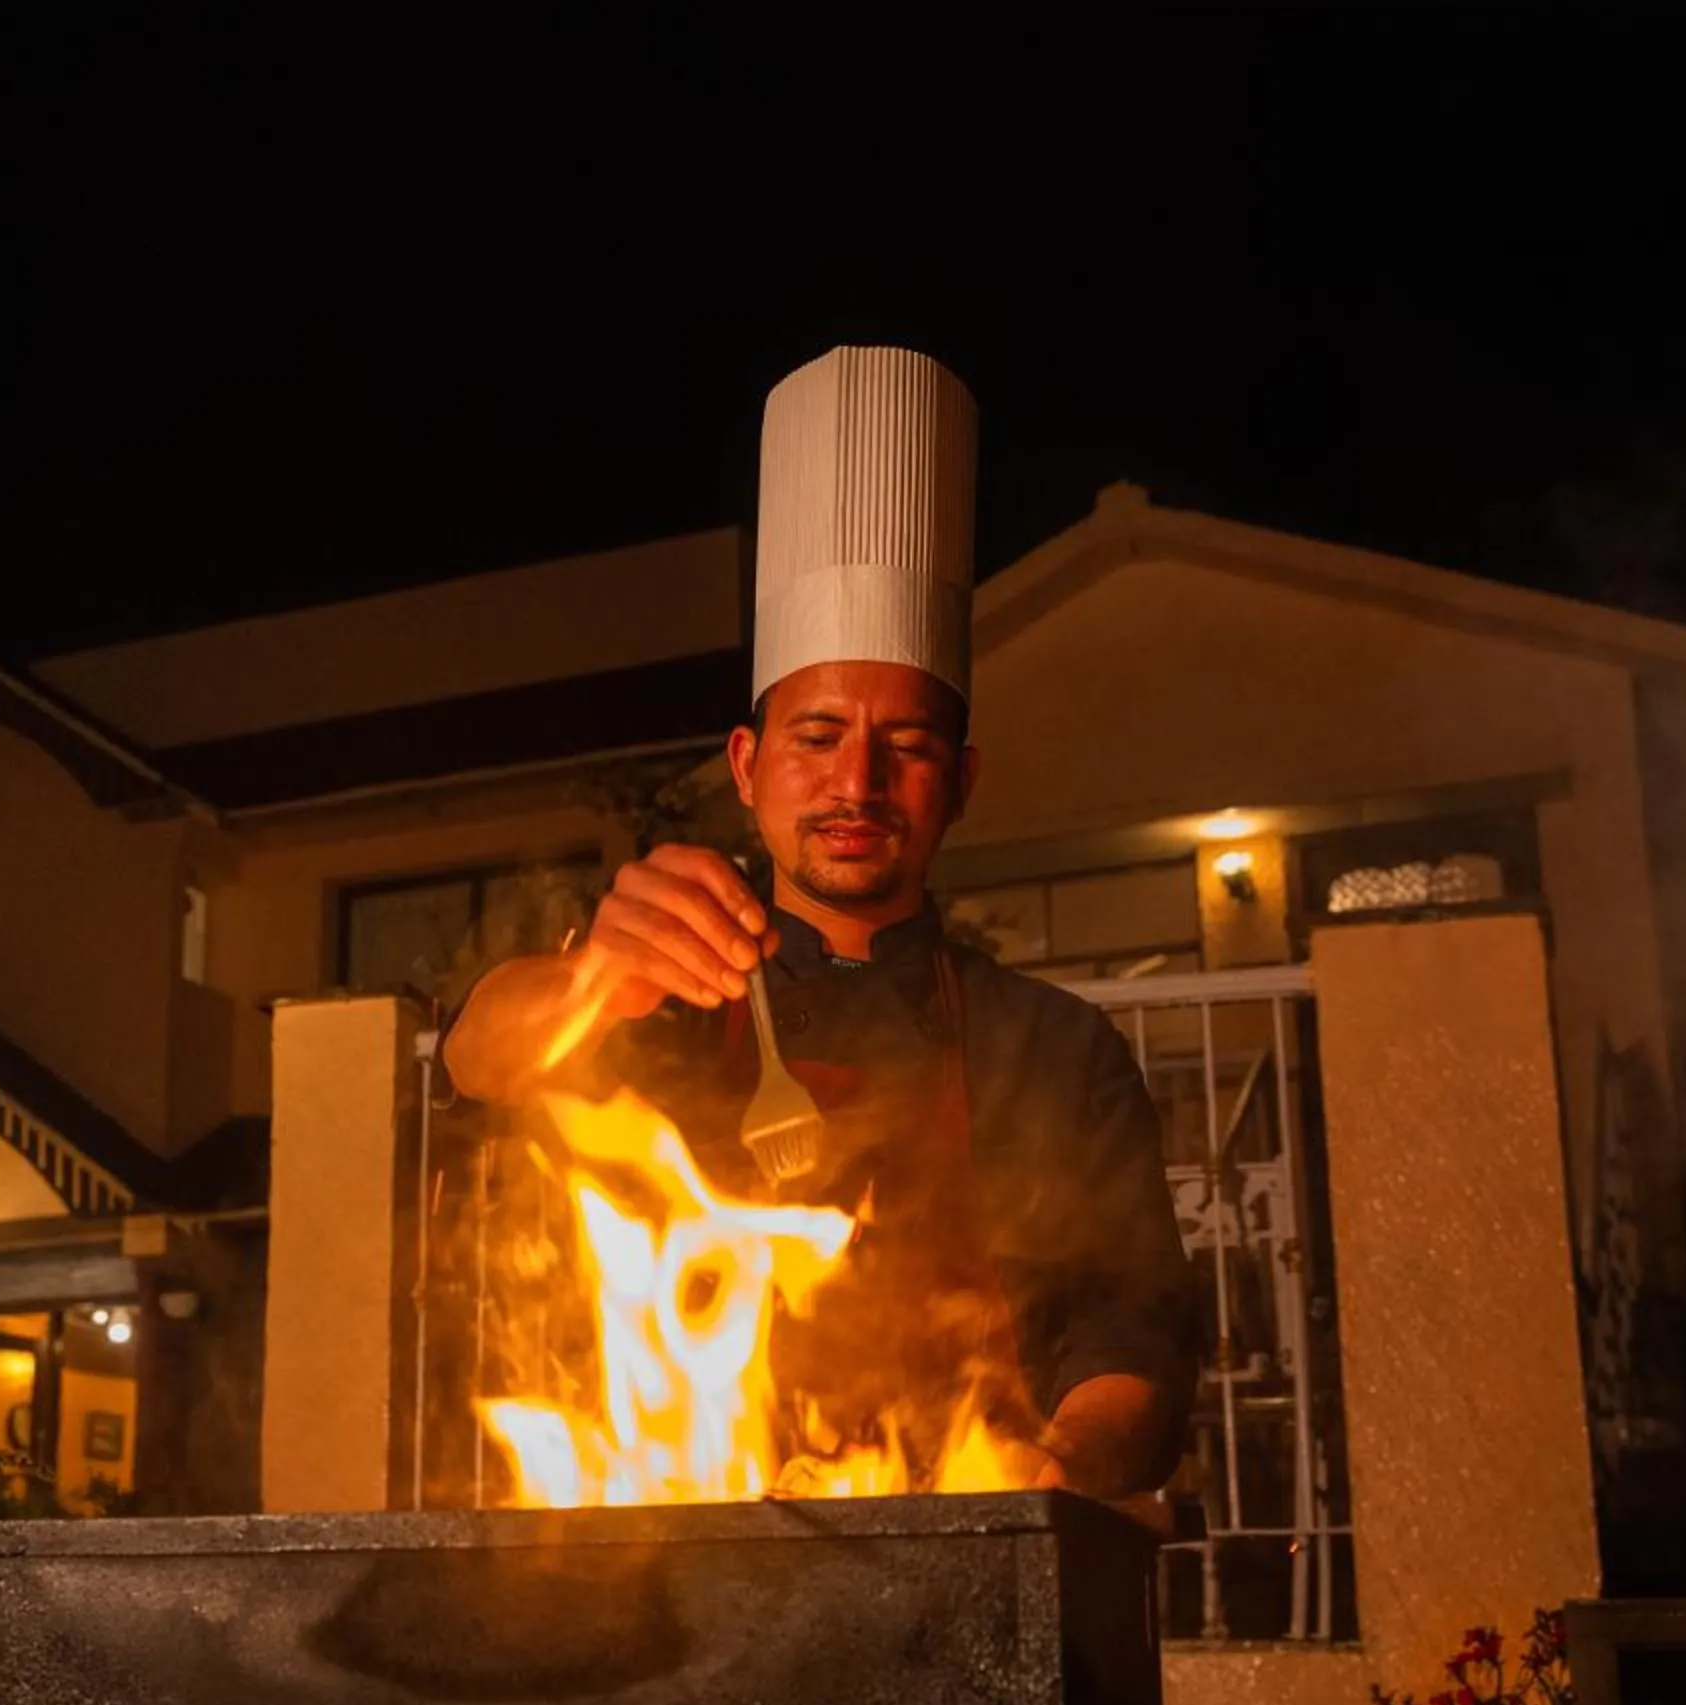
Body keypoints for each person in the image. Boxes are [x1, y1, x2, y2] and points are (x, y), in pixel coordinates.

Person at [442, 346, 1201, 1501]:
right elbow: (479, 1056)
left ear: (961, 781)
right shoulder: (669, 998)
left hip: (980, 1560)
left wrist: (1043, 1473)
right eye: (816, 735)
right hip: (689, 1562)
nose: (858, 780)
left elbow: (1135, 1330)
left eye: (906, 745)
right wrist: (593, 972)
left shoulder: (1059, 1049)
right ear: (747, 766)